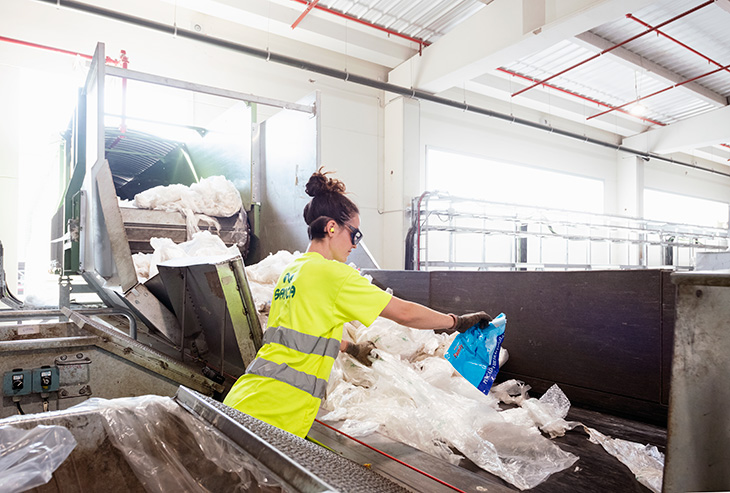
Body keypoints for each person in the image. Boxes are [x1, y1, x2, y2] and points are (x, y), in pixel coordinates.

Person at [223, 168, 491, 438]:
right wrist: (457, 321)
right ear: (331, 228)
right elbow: (405, 313)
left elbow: (300, 334)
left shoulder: (293, 272)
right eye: (355, 234)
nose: (354, 245)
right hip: (274, 412)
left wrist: (351, 347)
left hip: (249, 398)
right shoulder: (333, 275)